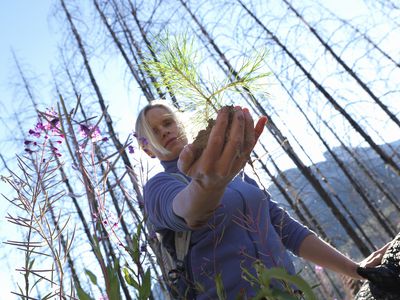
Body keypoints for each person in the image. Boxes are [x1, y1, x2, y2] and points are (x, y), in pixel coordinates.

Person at [135, 101, 389, 299]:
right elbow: (188, 210)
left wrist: (357, 270)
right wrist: (207, 184)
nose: (164, 132)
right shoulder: (159, 187)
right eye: (153, 132)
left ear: (181, 123)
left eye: (167, 122)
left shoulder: (235, 173)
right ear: (147, 149)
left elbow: (286, 230)